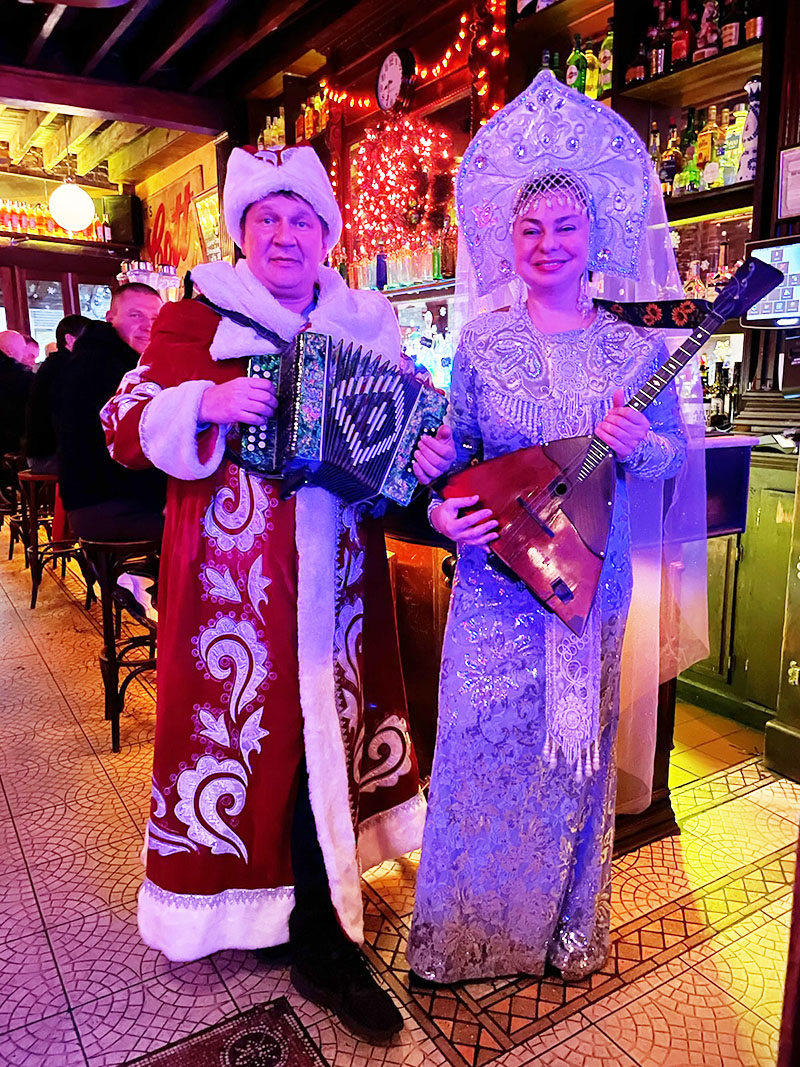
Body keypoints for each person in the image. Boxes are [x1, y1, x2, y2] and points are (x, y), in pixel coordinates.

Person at [101, 144, 455, 1042]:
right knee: (248, 745)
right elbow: (121, 424)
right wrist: (205, 409)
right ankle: (274, 912)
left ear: (328, 235)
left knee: (319, 745)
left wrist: (423, 456)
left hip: (335, 590)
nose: (285, 235)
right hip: (230, 600)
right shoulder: (192, 323)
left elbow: (395, 468)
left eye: (303, 220)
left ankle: (319, 934)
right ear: (242, 231)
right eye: (267, 219)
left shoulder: (365, 327)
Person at [407, 71, 704, 984]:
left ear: (595, 237)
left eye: (564, 226)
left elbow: (669, 461)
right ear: (508, 238)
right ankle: (462, 936)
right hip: (494, 584)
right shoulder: (482, 343)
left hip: (584, 590)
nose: (546, 243)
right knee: (475, 747)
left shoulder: (634, 348)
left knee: (567, 750)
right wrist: (435, 494)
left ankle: (557, 931)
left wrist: (636, 440)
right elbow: (455, 452)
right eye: (529, 228)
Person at [59, 284, 166, 541]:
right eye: (135, 315)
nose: (148, 326)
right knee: (204, 531)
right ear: (111, 317)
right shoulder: (99, 366)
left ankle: (145, 577)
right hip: (106, 506)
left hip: (116, 495)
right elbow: (118, 454)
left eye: (155, 318)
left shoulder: (127, 360)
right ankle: (143, 578)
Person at [25, 314, 91, 474]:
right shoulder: (66, 368)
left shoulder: (56, 364)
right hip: (48, 457)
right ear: (70, 339)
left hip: (43, 453)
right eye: (89, 339)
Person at [0, 329, 34, 459]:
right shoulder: (18, 376)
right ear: (10, 351)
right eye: (23, 348)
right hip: (10, 442)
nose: (24, 352)